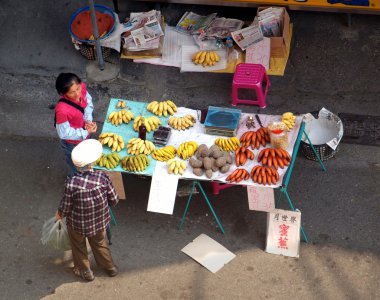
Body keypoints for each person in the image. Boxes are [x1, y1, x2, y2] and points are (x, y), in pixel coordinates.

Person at [55, 139, 119, 282]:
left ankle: (86, 271)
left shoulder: (71, 184)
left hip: (77, 225)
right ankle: (110, 268)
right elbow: (114, 200)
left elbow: (66, 206)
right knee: (100, 244)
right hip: (99, 223)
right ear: (93, 163)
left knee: (78, 247)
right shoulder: (103, 178)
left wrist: (58, 215)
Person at [55, 73, 97, 177]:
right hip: (72, 144)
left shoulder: (82, 87)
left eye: (78, 89)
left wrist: (87, 120)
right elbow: (64, 133)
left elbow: (88, 103)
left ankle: (87, 177)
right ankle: (74, 182)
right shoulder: (62, 110)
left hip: (85, 136)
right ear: (63, 94)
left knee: (87, 159)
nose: (78, 94)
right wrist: (86, 131)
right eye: (72, 92)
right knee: (76, 168)